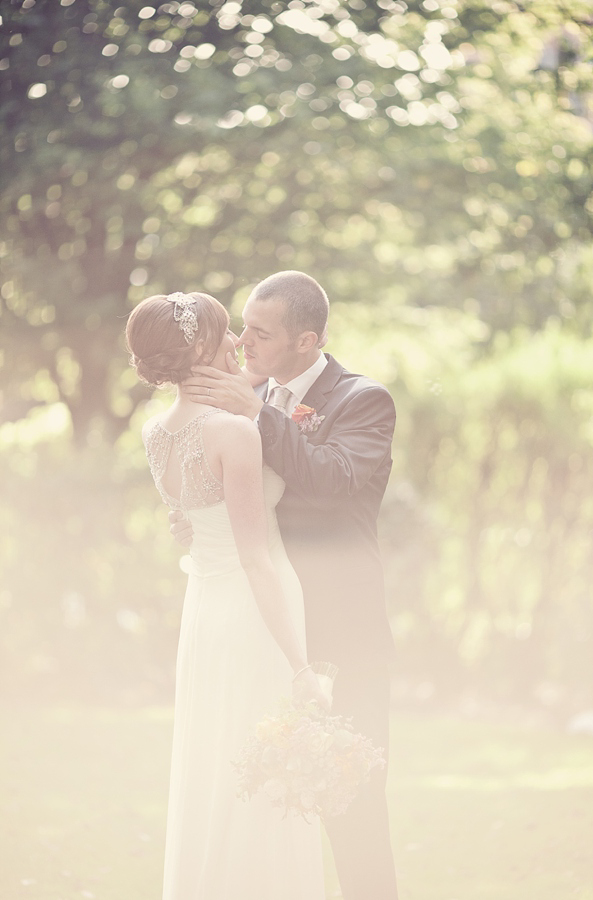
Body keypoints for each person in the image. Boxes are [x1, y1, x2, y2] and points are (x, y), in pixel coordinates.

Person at [171, 271, 399, 900]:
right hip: (265, 630)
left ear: (308, 340)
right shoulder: (251, 395)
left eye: (261, 333)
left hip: (341, 631)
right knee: (262, 797)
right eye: (244, 326)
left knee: (351, 801)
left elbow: (335, 478)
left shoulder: (363, 400)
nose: (244, 343)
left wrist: (261, 419)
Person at [125, 290, 328, 900]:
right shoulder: (233, 432)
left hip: (204, 611)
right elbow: (255, 557)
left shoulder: (157, 431)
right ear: (201, 347)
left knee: (218, 762)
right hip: (251, 610)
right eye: (227, 334)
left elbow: (191, 519)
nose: (239, 343)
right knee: (263, 771)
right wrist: (302, 665)